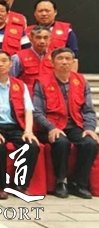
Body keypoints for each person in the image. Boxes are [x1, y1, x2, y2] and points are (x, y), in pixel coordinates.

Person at [33, 48, 98, 199]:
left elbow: (89, 110)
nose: (64, 62)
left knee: (90, 143)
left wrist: (89, 128)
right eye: (60, 59)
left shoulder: (81, 81)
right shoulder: (42, 82)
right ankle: (60, 182)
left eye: (68, 59)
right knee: (61, 142)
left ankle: (79, 183)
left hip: (74, 125)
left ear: (73, 62)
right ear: (52, 62)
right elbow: (37, 112)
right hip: (50, 127)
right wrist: (51, 127)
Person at [0, 50, 39, 199]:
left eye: (4, 61)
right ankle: (0, 186)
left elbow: (28, 110)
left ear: (10, 64)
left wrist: (28, 131)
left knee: (32, 145)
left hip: (16, 126)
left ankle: (21, 186)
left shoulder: (20, 85)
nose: (0, 64)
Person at [30, 0, 79, 68]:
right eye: (40, 11)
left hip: (56, 72)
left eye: (47, 11)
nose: (44, 14)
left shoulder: (67, 31)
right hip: (32, 71)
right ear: (35, 13)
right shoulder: (27, 32)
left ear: (55, 12)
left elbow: (74, 58)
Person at [11, 25, 54, 92]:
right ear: (31, 38)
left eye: (45, 38)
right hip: (27, 96)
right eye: (38, 37)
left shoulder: (55, 57)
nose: (42, 41)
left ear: (50, 39)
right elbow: (10, 80)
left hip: (50, 95)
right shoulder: (18, 57)